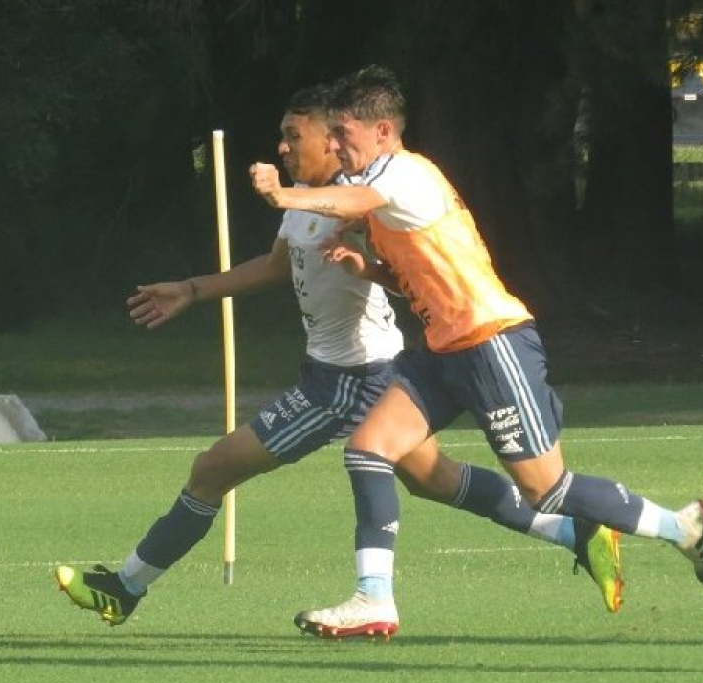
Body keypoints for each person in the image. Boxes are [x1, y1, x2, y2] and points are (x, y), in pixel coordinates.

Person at [53, 85, 623, 630]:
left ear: (333, 140)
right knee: (436, 479)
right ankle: (577, 533)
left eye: (293, 135)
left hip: (350, 379)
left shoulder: (363, 201)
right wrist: (193, 289)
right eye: (282, 135)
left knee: (213, 469)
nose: (282, 147)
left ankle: (125, 588)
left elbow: (404, 260)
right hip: (362, 371)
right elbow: (276, 266)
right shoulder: (308, 200)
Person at [249, 66, 703, 639]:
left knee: (548, 489)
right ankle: (374, 598)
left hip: (490, 342)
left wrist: (284, 194)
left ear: (382, 132)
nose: (337, 146)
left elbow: (352, 199)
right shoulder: (379, 190)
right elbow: (411, 278)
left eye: (344, 134)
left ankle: (681, 527)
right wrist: (368, 268)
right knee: (369, 449)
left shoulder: (403, 173)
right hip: (440, 352)